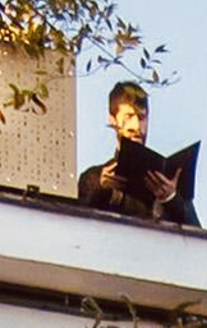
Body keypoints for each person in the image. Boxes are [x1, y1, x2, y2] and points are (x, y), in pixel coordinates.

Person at [77, 81, 196, 225]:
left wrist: (171, 198)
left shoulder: (169, 180)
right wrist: (101, 189)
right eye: (128, 116)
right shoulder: (93, 178)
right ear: (112, 119)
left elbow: (201, 236)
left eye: (141, 117)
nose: (137, 126)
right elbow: (76, 225)